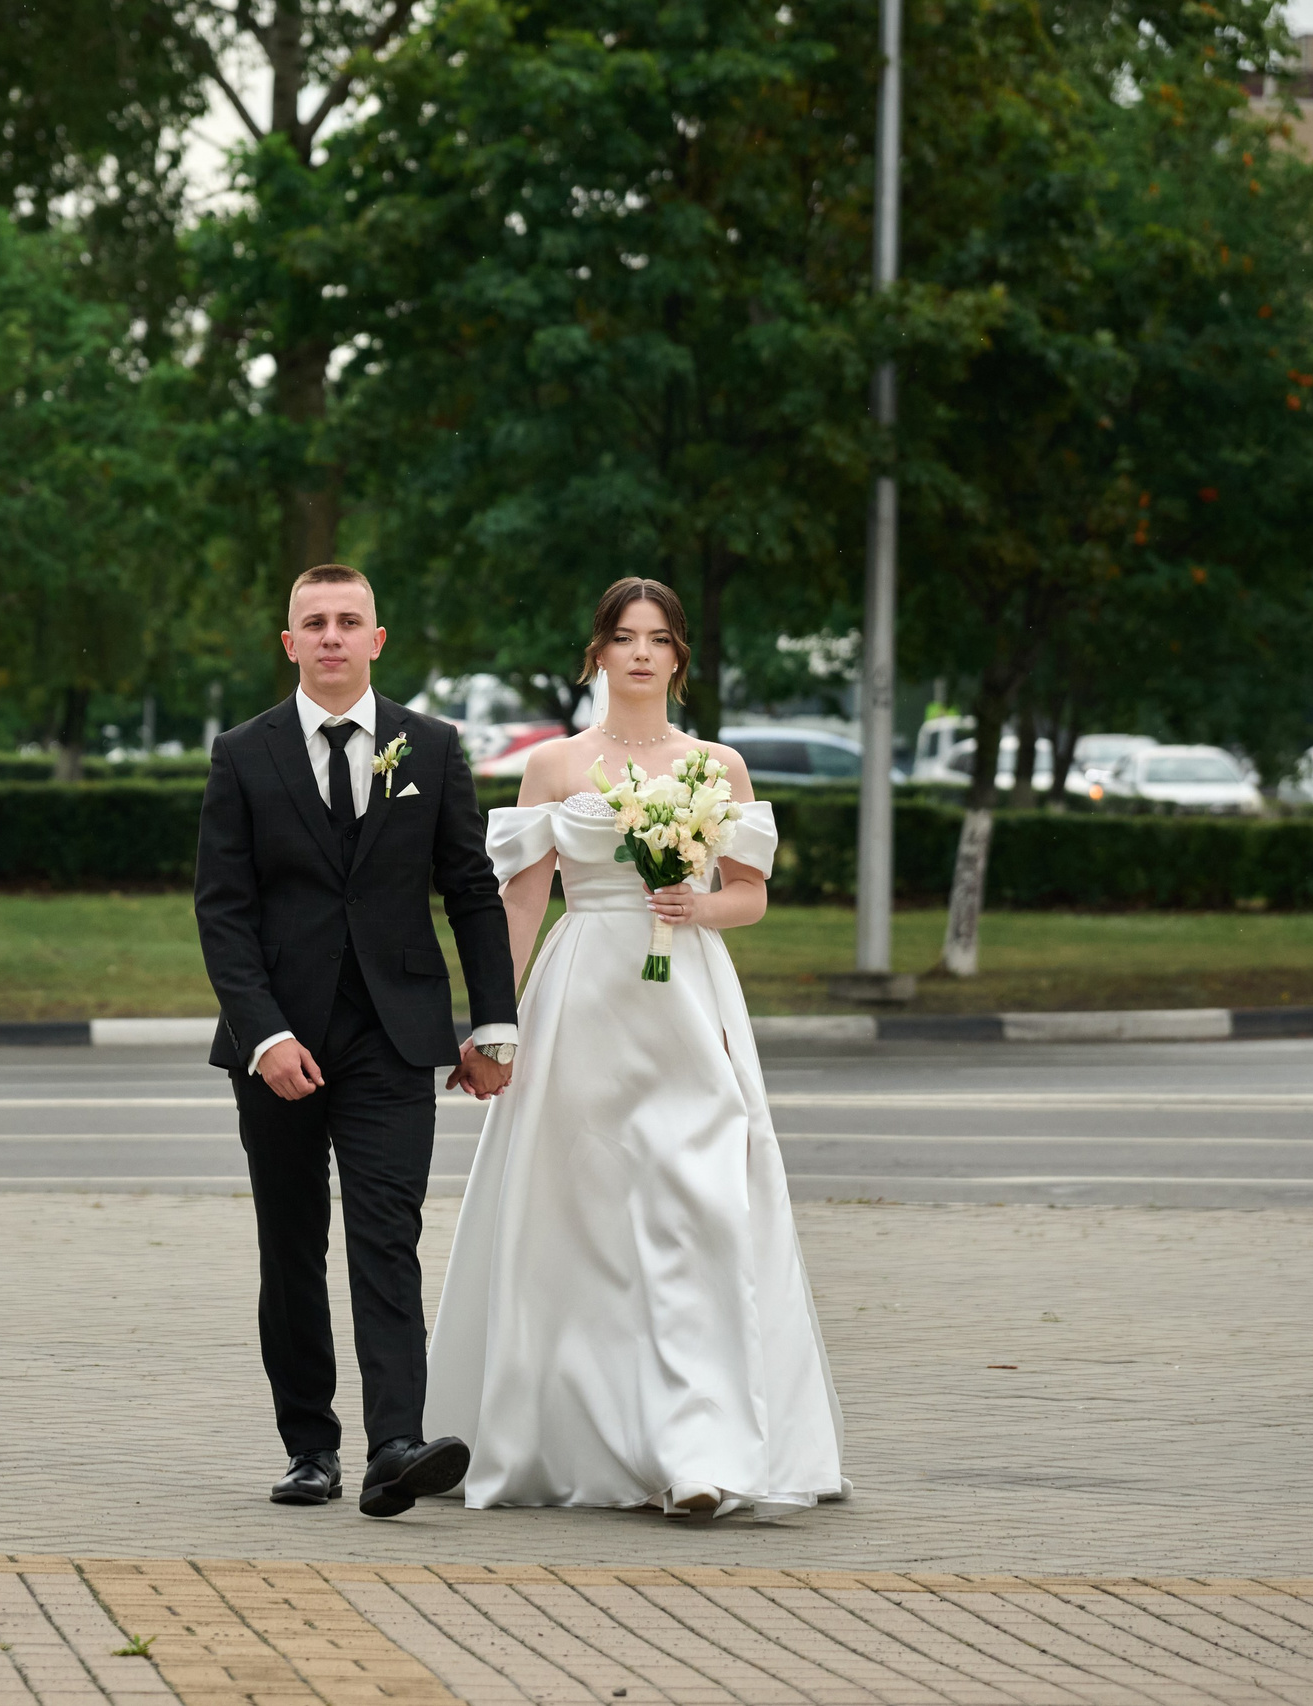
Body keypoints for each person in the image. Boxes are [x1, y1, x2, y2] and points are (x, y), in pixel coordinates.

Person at [426, 576, 848, 1520]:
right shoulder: (554, 767)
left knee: (698, 1206)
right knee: (581, 1215)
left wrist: (701, 905)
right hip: (582, 996)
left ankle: (703, 1451)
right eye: (625, 637)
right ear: (599, 653)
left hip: (687, 1002)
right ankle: (584, 1434)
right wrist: (495, 1022)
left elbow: (750, 893)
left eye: (659, 638)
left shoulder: (717, 766)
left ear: (680, 656)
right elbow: (524, 902)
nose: (643, 653)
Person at [194, 563, 522, 1518]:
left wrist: (493, 1024)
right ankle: (310, 1449)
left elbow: (469, 891)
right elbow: (224, 911)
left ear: (379, 640)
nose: (332, 636)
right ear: (288, 642)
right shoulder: (242, 754)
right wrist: (264, 1036)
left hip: (394, 1034)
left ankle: (395, 1446)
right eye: (314, 622)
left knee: (388, 1235)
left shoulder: (431, 746)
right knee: (291, 1247)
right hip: (278, 1047)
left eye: (350, 621)